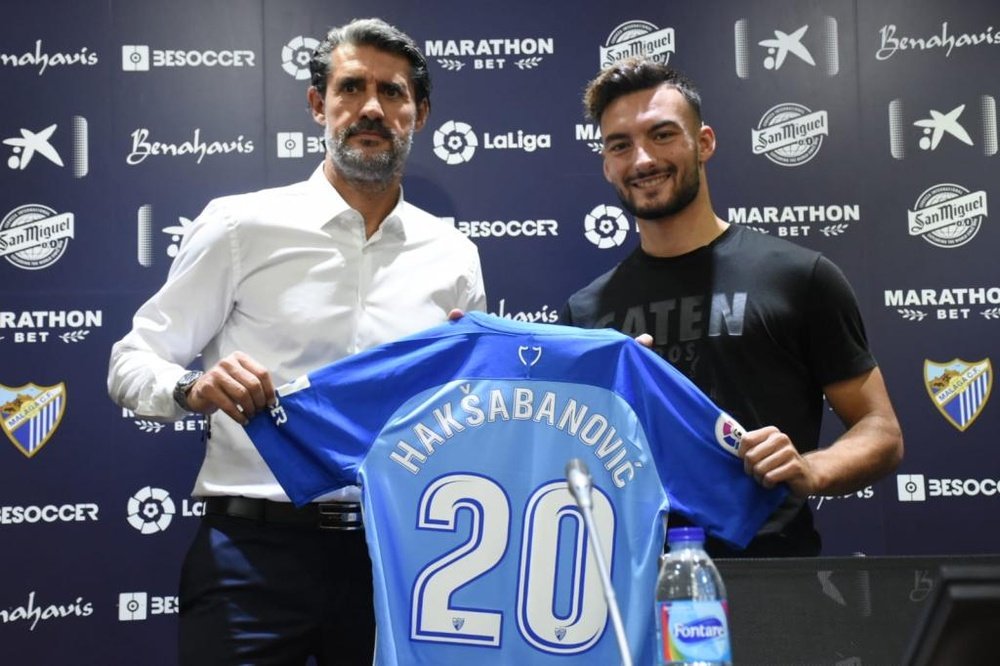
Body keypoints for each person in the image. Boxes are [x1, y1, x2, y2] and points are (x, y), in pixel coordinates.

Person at [108, 18, 485, 665]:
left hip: (398, 558)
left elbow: (476, 405)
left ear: (418, 113)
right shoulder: (239, 225)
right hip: (250, 558)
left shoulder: (454, 256)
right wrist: (192, 388)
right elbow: (131, 358)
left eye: (392, 93)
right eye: (351, 88)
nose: (371, 107)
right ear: (319, 104)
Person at [560, 56, 903, 557]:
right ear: (607, 164)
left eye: (662, 135)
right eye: (620, 145)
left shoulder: (797, 277)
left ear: (704, 144)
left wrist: (810, 470)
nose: (642, 160)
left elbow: (881, 431)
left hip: (774, 583)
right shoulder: (585, 313)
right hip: (630, 585)